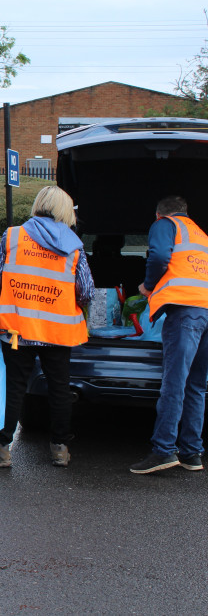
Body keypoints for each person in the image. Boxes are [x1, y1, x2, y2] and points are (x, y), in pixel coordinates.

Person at [0, 186, 94, 469]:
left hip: (17, 330)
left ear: (38, 205)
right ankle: (60, 448)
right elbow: (87, 290)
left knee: (14, 388)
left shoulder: (13, 237)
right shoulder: (74, 245)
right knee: (60, 388)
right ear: (64, 210)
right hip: (58, 332)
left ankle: (0, 449)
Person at [130, 196, 208, 474]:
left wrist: (149, 286)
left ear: (157, 214)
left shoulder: (166, 224)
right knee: (196, 386)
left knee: (174, 383)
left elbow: (161, 255)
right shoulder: (200, 234)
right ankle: (191, 453)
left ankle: (163, 450)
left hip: (185, 312)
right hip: (206, 310)